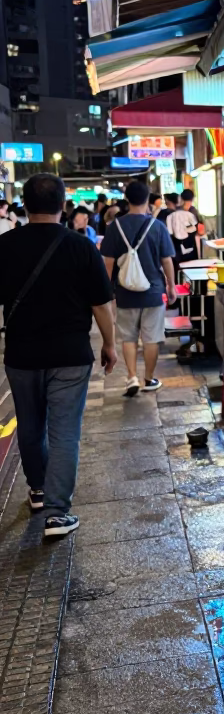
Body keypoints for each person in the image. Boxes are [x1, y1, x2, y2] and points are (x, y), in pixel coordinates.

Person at [0, 173, 116, 537]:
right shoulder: (80, 247)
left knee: (30, 426)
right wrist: (109, 345)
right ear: (63, 205)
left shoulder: (4, 246)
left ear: (25, 205)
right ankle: (56, 513)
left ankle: (37, 490)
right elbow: (101, 305)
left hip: (21, 354)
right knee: (65, 432)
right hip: (70, 354)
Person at [101, 179, 175, 397]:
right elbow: (167, 260)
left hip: (124, 292)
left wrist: (107, 289)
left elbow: (108, 261)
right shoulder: (157, 227)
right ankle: (149, 379)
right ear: (147, 199)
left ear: (127, 199)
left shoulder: (115, 227)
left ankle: (131, 376)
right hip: (152, 291)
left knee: (128, 337)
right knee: (151, 337)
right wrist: (171, 286)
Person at [166, 189, 201, 265]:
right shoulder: (194, 212)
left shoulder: (172, 213)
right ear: (193, 199)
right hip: (192, 248)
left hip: (176, 250)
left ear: (181, 199)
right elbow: (201, 231)